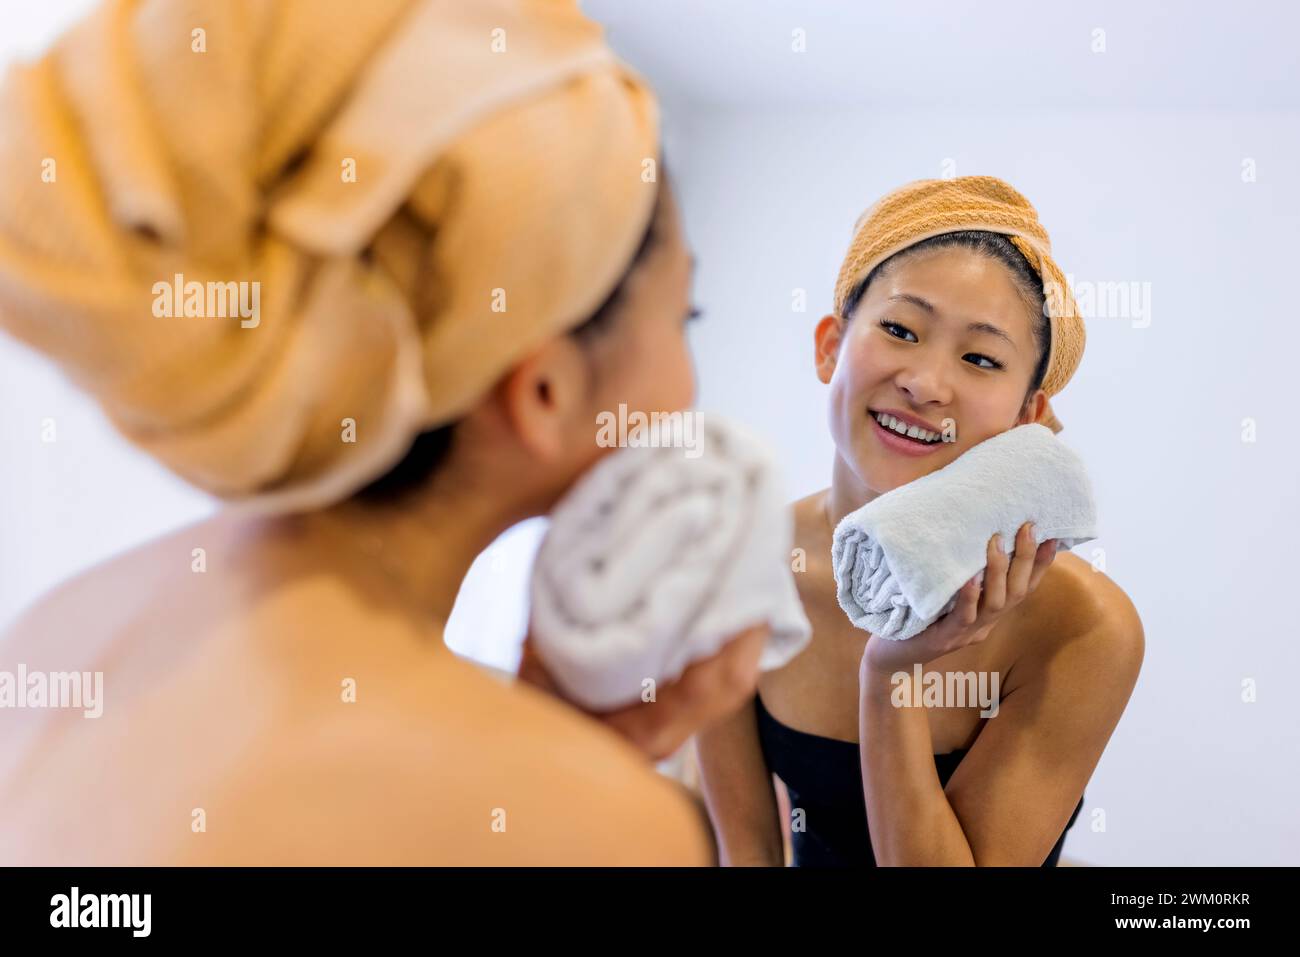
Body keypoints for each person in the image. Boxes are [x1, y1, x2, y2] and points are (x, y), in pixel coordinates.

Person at [0, 0, 766, 865]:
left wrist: (553, 749)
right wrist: (567, 778)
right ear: (543, 389)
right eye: (684, 315)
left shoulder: (66, 629)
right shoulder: (600, 824)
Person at [696, 176, 1145, 866]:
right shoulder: (737, 558)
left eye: (980, 358)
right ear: (829, 346)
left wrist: (891, 673)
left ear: (1027, 418)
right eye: (900, 329)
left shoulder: (1082, 628)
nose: (927, 382)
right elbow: (747, 849)